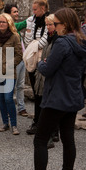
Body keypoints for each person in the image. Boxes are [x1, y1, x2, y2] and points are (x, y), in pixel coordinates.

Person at [16, 8, 86, 170]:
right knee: (68, 138)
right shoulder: (82, 43)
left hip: (57, 97)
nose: (54, 27)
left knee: (40, 139)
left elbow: (48, 69)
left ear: (65, 25)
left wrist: (42, 63)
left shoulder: (62, 43)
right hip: (73, 96)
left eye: (56, 24)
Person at [14, 0, 50, 135]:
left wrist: (34, 47)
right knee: (36, 92)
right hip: (32, 58)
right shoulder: (30, 20)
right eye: (33, 9)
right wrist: (32, 47)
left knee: (44, 92)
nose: (33, 12)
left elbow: (44, 40)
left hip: (43, 58)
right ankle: (37, 121)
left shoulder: (49, 21)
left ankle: (45, 123)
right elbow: (28, 38)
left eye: (36, 10)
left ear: (43, 8)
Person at [0, 13, 23, 135]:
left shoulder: (14, 37)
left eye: (4, 22)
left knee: (8, 98)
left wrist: (9, 64)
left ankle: (14, 125)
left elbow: (19, 55)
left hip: (9, 72)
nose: (1, 24)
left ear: (9, 23)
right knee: (1, 99)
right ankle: (5, 123)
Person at [32, 14, 59, 148]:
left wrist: (43, 64)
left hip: (51, 75)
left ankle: (53, 132)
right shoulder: (49, 37)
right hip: (43, 72)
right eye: (47, 25)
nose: (49, 27)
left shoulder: (58, 39)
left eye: (51, 24)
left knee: (50, 105)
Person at [4, 3, 28, 117]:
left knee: (20, 85)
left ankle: (21, 107)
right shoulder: (8, 28)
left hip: (21, 59)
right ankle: (9, 109)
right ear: (9, 14)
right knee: (11, 86)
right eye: (15, 12)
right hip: (14, 60)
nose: (17, 13)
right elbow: (23, 24)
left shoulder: (14, 27)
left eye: (17, 11)